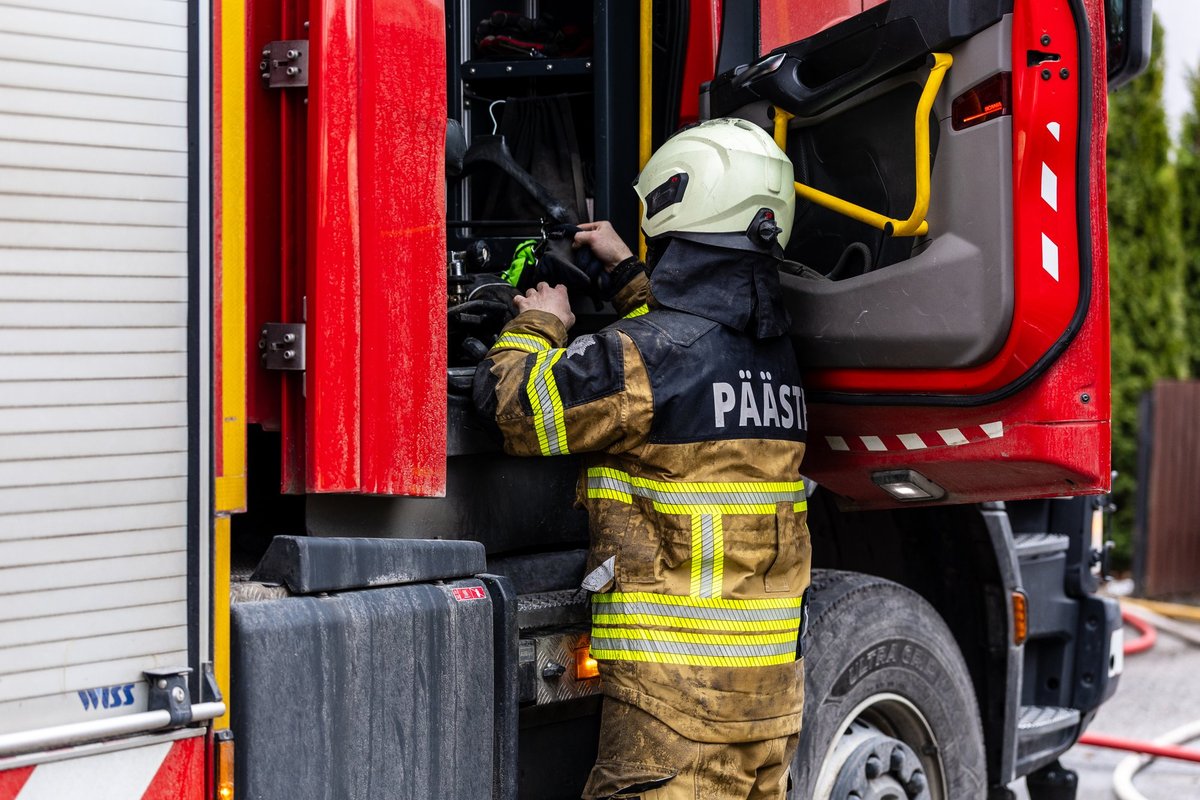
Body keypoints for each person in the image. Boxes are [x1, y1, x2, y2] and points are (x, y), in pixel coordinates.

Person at [473, 118, 810, 800]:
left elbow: (519, 410)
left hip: (676, 704)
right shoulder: (776, 357)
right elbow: (692, 343)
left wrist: (540, 323)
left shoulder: (644, 358)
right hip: (769, 705)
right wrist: (628, 274)